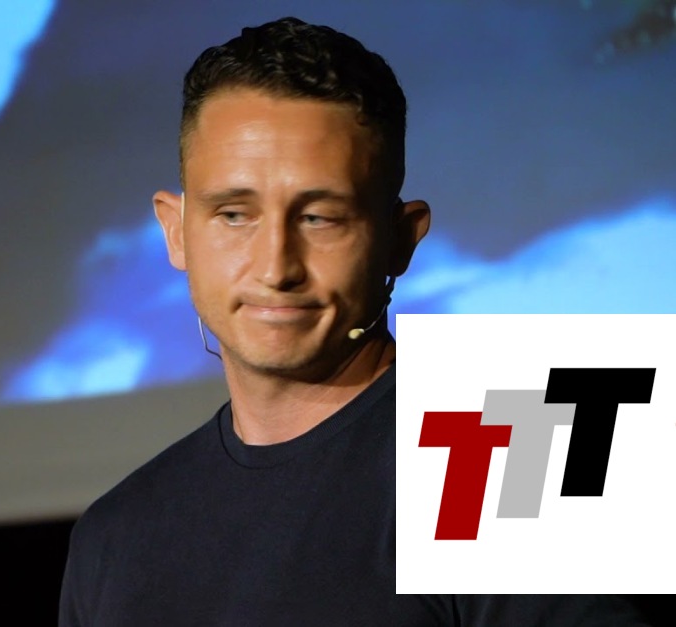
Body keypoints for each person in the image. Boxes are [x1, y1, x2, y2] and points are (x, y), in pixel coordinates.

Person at [58, 17, 650, 626]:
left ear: (400, 239)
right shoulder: (115, 538)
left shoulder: (521, 441)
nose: (275, 267)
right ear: (176, 231)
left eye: (320, 218)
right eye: (234, 215)